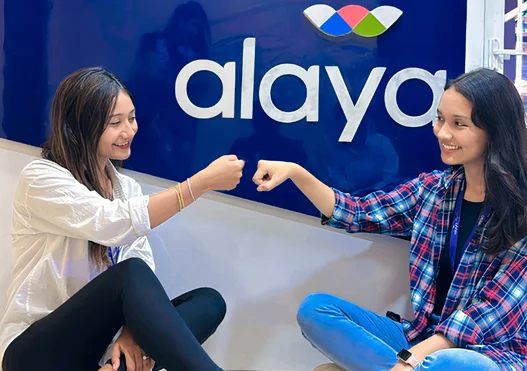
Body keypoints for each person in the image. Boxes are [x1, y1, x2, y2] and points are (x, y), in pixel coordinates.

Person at [252, 68, 527, 371]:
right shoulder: (434, 190)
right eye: (440, 119)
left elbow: (492, 313)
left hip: (487, 355)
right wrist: (295, 172)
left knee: (450, 362)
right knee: (316, 310)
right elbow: (358, 213)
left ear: (495, 130)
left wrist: (411, 360)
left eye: (458, 124)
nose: (442, 132)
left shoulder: (521, 210)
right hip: (419, 336)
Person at [0, 67, 245, 371]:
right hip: (35, 356)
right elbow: (110, 223)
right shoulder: (40, 178)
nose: (129, 130)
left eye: (132, 118)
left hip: (98, 356)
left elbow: (141, 266)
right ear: (79, 128)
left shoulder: (127, 188)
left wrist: (133, 334)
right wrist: (200, 184)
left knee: (209, 302)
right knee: (129, 275)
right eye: (115, 123)